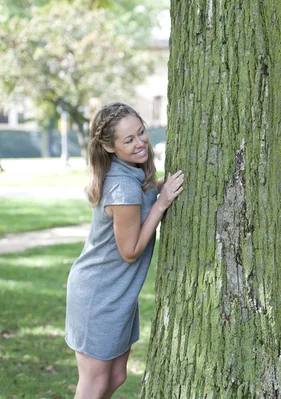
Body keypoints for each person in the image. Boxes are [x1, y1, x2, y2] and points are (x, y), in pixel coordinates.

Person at [65, 102, 184, 398]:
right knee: (94, 383)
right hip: (99, 295)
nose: (140, 142)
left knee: (115, 377)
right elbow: (129, 251)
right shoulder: (123, 186)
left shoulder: (128, 172)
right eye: (128, 140)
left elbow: (139, 200)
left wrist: (157, 188)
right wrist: (163, 202)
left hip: (116, 294)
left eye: (141, 132)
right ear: (109, 146)